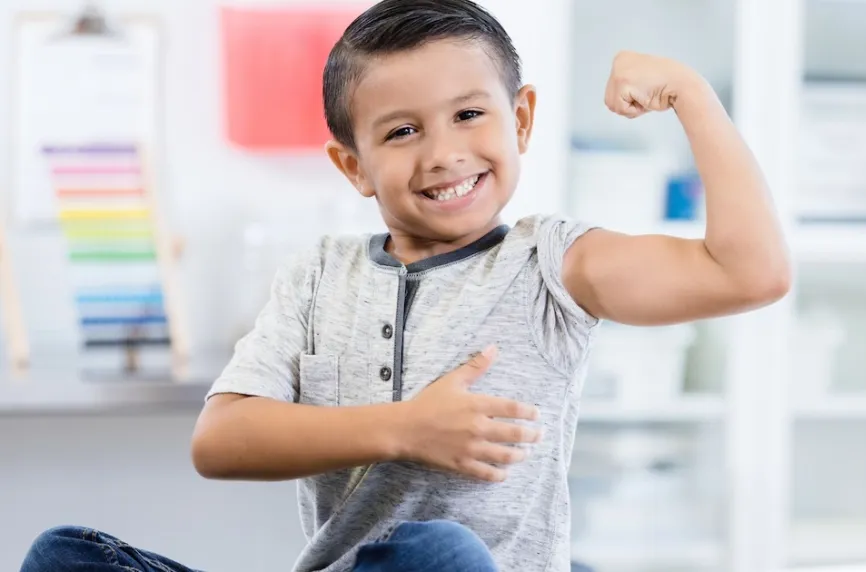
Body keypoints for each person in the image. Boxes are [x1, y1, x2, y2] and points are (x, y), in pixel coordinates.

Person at [19, 0, 790, 571]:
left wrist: (692, 94)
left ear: (520, 120)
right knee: (64, 556)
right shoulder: (321, 273)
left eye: (468, 115)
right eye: (402, 131)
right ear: (353, 166)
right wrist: (404, 428)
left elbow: (750, 272)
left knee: (438, 553)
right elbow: (220, 441)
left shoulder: (553, 264)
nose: (445, 154)